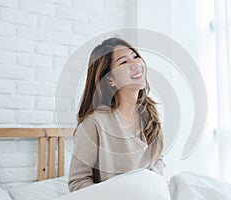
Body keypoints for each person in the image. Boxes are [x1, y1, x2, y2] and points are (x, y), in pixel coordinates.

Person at [68, 37, 165, 192]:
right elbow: (77, 183)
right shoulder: (94, 124)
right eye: (123, 62)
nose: (135, 64)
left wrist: (149, 185)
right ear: (110, 80)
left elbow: (158, 160)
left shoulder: (150, 114)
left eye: (135, 57)